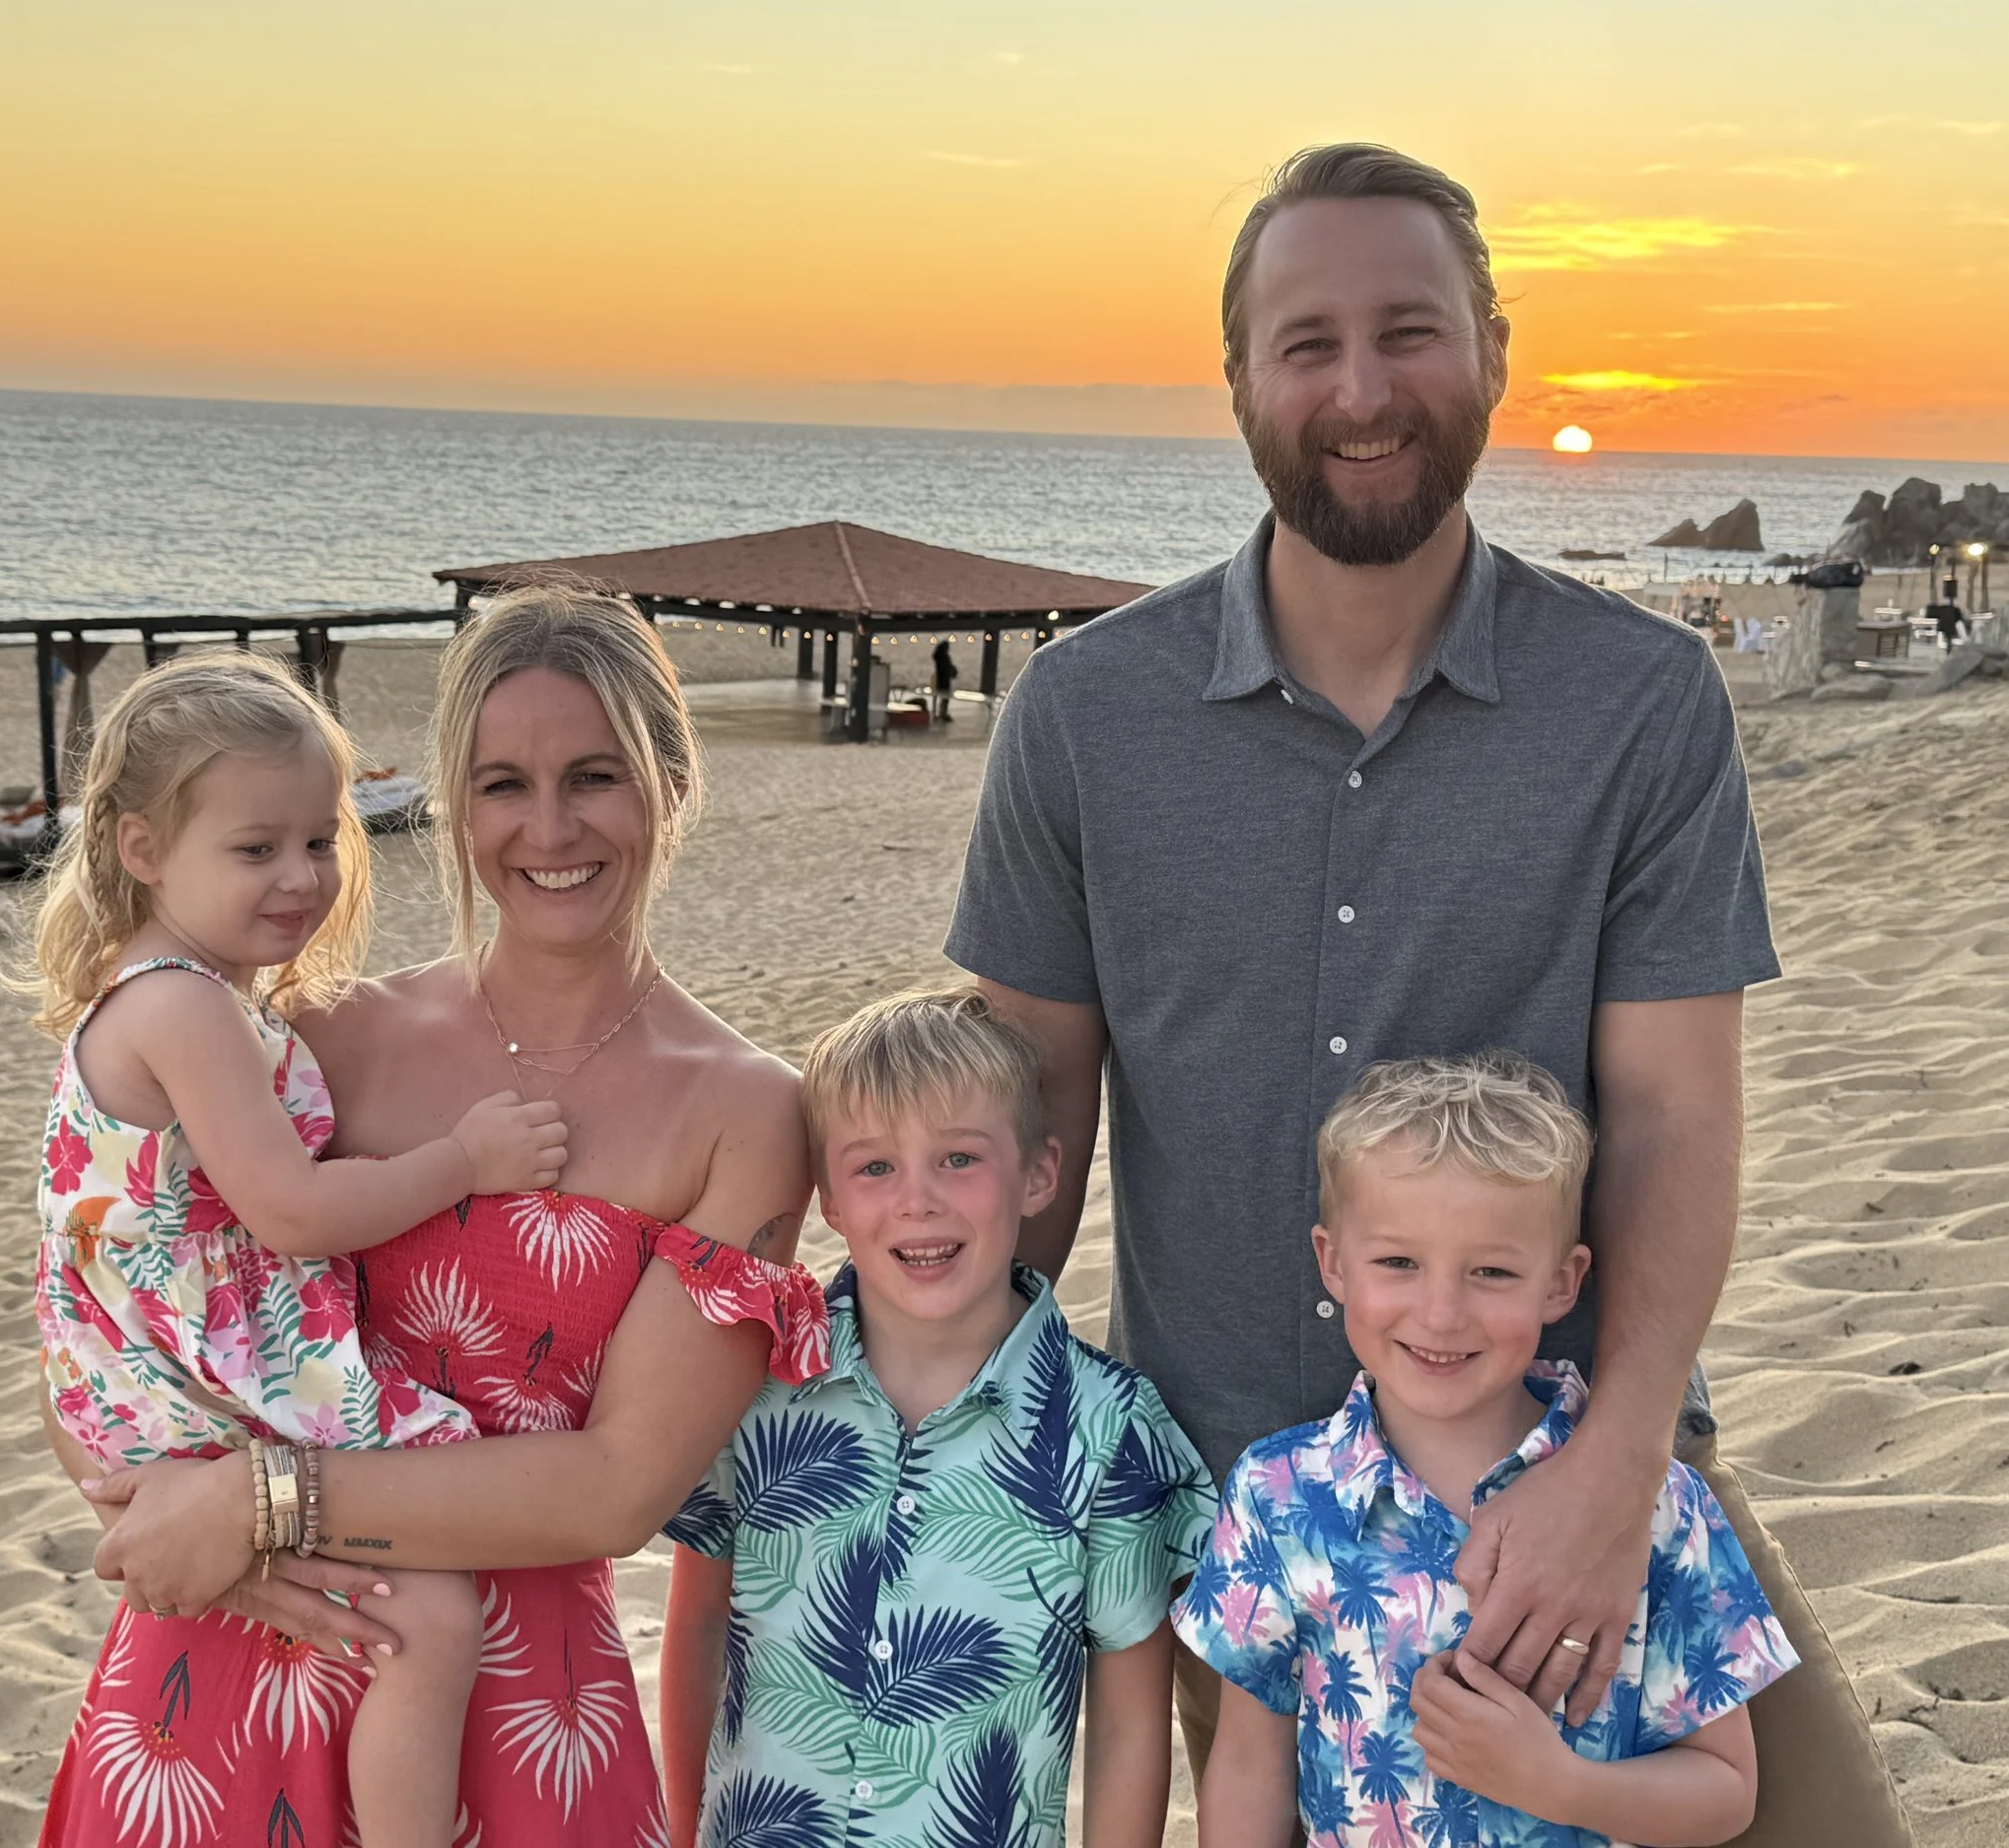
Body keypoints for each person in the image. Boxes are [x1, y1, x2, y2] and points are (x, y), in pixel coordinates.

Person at [945, 142, 1912, 1846]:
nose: (1363, 388)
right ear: (1241, 378)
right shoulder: (1086, 715)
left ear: (1495, 357)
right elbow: (1018, 1130)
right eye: (1308, 342)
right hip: (1233, 1524)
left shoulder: (1641, 703)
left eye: (1411, 332)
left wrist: (1618, 1474)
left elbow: (1678, 1109)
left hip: (1578, 1478)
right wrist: (965, 1460)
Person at [43, 584, 833, 1846]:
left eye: (595, 775)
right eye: (500, 785)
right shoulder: (324, 1038)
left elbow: (617, 1491)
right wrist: (141, 1496)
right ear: (451, 806)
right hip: (233, 1660)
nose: (549, 827)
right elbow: (105, 1275)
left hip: (522, 1710)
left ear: (672, 783)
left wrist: (263, 1500)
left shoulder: (744, 1111)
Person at [28, 650, 582, 1845]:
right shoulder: (181, 1005)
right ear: (141, 851)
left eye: (320, 841)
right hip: (200, 1376)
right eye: (254, 848)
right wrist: (463, 1163)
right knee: (430, 1617)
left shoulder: (184, 995)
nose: (300, 878)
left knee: (400, 1598)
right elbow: (290, 1212)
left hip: (156, 1362)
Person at [1181, 1055, 1797, 1847]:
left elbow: (1726, 1789)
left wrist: (1559, 1784)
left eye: (1493, 1271)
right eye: (1398, 1261)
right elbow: (1243, 1771)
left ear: (1562, 1282)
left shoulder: (1652, 1502)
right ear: (1332, 1262)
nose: (1441, 1313)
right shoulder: (1274, 1493)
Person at [659, 987, 1213, 1848]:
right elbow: (697, 1621)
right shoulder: (758, 1382)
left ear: (1039, 1173)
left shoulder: (1111, 1431)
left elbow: (1129, 1723)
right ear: (830, 1200)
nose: (917, 1201)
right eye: (875, 1166)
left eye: (958, 1158)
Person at [932, 639, 961, 720]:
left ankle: (936, 714)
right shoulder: (946, 657)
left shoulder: (937, 657)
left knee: (937, 696)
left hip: (939, 679)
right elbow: (948, 668)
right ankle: (943, 714)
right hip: (945, 680)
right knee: (945, 698)